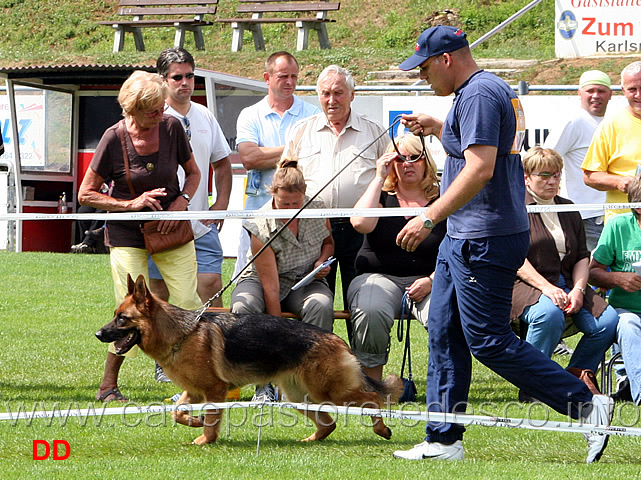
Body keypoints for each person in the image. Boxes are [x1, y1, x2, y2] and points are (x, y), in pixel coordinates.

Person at [391, 26, 613, 463]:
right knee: (443, 332)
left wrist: (429, 215)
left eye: (424, 68)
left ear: (447, 59)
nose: (422, 78)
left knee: (487, 340)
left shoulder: (477, 94)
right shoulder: (484, 90)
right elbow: (485, 151)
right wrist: (440, 128)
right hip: (465, 235)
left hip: (484, 236)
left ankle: (585, 403)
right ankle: (443, 440)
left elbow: (480, 169)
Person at [78, 70, 202, 403]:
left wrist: (182, 202)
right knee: (129, 311)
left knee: (189, 304)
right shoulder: (112, 138)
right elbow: (86, 194)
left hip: (171, 229)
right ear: (133, 109)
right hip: (126, 233)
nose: (162, 114)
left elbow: (193, 173)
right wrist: (130, 204)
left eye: (162, 107)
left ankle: (196, 384)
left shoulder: (173, 127)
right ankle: (108, 386)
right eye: (154, 111)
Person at [281, 65, 388, 309]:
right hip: (314, 230)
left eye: (338, 93)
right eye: (325, 93)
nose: (331, 100)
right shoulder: (301, 131)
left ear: (352, 94)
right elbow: (284, 180)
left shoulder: (374, 131)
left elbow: (392, 180)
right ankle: (319, 348)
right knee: (315, 301)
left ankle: (360, 349)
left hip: (361, 231)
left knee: (361, 300)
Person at [231, 158, 335, 400]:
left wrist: (322, 260)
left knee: (320, 304)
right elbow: (271, 288)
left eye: (295, 203)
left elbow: (329, 243)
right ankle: (263, 384)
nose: (290, 208)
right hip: (261, 281)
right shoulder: (259, 224)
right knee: (244, 307)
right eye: (284, 203)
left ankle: (313, 383)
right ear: (272, 194)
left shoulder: (318, 208)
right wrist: (278, 336)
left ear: (304, 194)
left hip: (305, 279)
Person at [512, 147, 618, 382]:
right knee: (549, 314)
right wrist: (548, 289)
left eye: (557, 174)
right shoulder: (515, 208)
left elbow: (581, 255)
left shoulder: (568, 207)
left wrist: (579, 290)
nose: (553, 181)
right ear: (526, 177)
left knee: (608, 322)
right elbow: (516, 260)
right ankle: (534, 383)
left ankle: (574, 376)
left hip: (569, 282)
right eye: (544, 175)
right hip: (527, 284)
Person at [347, 134, 446, 382]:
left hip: (431, 279)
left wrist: (432, 281)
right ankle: (372, 386)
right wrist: (379, 176)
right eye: (401, 158)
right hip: (379, 277)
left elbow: (456, 248)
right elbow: (360, 223)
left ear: (427, 162)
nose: (408, 164)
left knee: (444, 314)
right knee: (370, 309)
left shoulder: (443, 200)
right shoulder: (380, 196)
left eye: (415, 158)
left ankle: (443, 387)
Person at [149, 48, 232, 308]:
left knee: (211, 287)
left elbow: (222, 163)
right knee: (159, 296)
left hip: (201, 222)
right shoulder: (152, 118)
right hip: (163, 224)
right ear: (162, 80)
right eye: (177, 77)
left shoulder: (205, 114)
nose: (185, 83)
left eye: (189, 76)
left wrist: (221, 205)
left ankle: (218, 348)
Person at [233, 51, 319, 277]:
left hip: (298, 212)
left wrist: (269, 155)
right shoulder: (250, 115)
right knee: (251, 278)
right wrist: (294, 147)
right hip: (258, 211)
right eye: (283, 76)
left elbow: (316, 158)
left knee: (300, 279)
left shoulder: (313, 114)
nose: (290, 82)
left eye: (294, 76)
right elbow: (250, 158)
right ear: (266, 77)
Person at [543, 70, 612, 251]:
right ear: (579, 93)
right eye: (590, 91)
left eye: (601, 91)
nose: (596, 96)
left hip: (611, 213)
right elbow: (545, 159)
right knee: (594, 273)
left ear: (611, 94)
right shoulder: (573, 121)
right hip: (584, 214)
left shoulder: (611, 122)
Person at [589, 174, 641, 405]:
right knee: (628, 326)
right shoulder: (618, 226)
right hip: (627, 309)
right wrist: (618, 278)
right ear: (637, 208)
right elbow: (592, 272)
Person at [583, 61, 641, 221]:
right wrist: (619, 182)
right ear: (623, 91)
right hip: (623, 226)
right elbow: (590, 176)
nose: (638, 95)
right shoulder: (610, 125)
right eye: (632, 89)